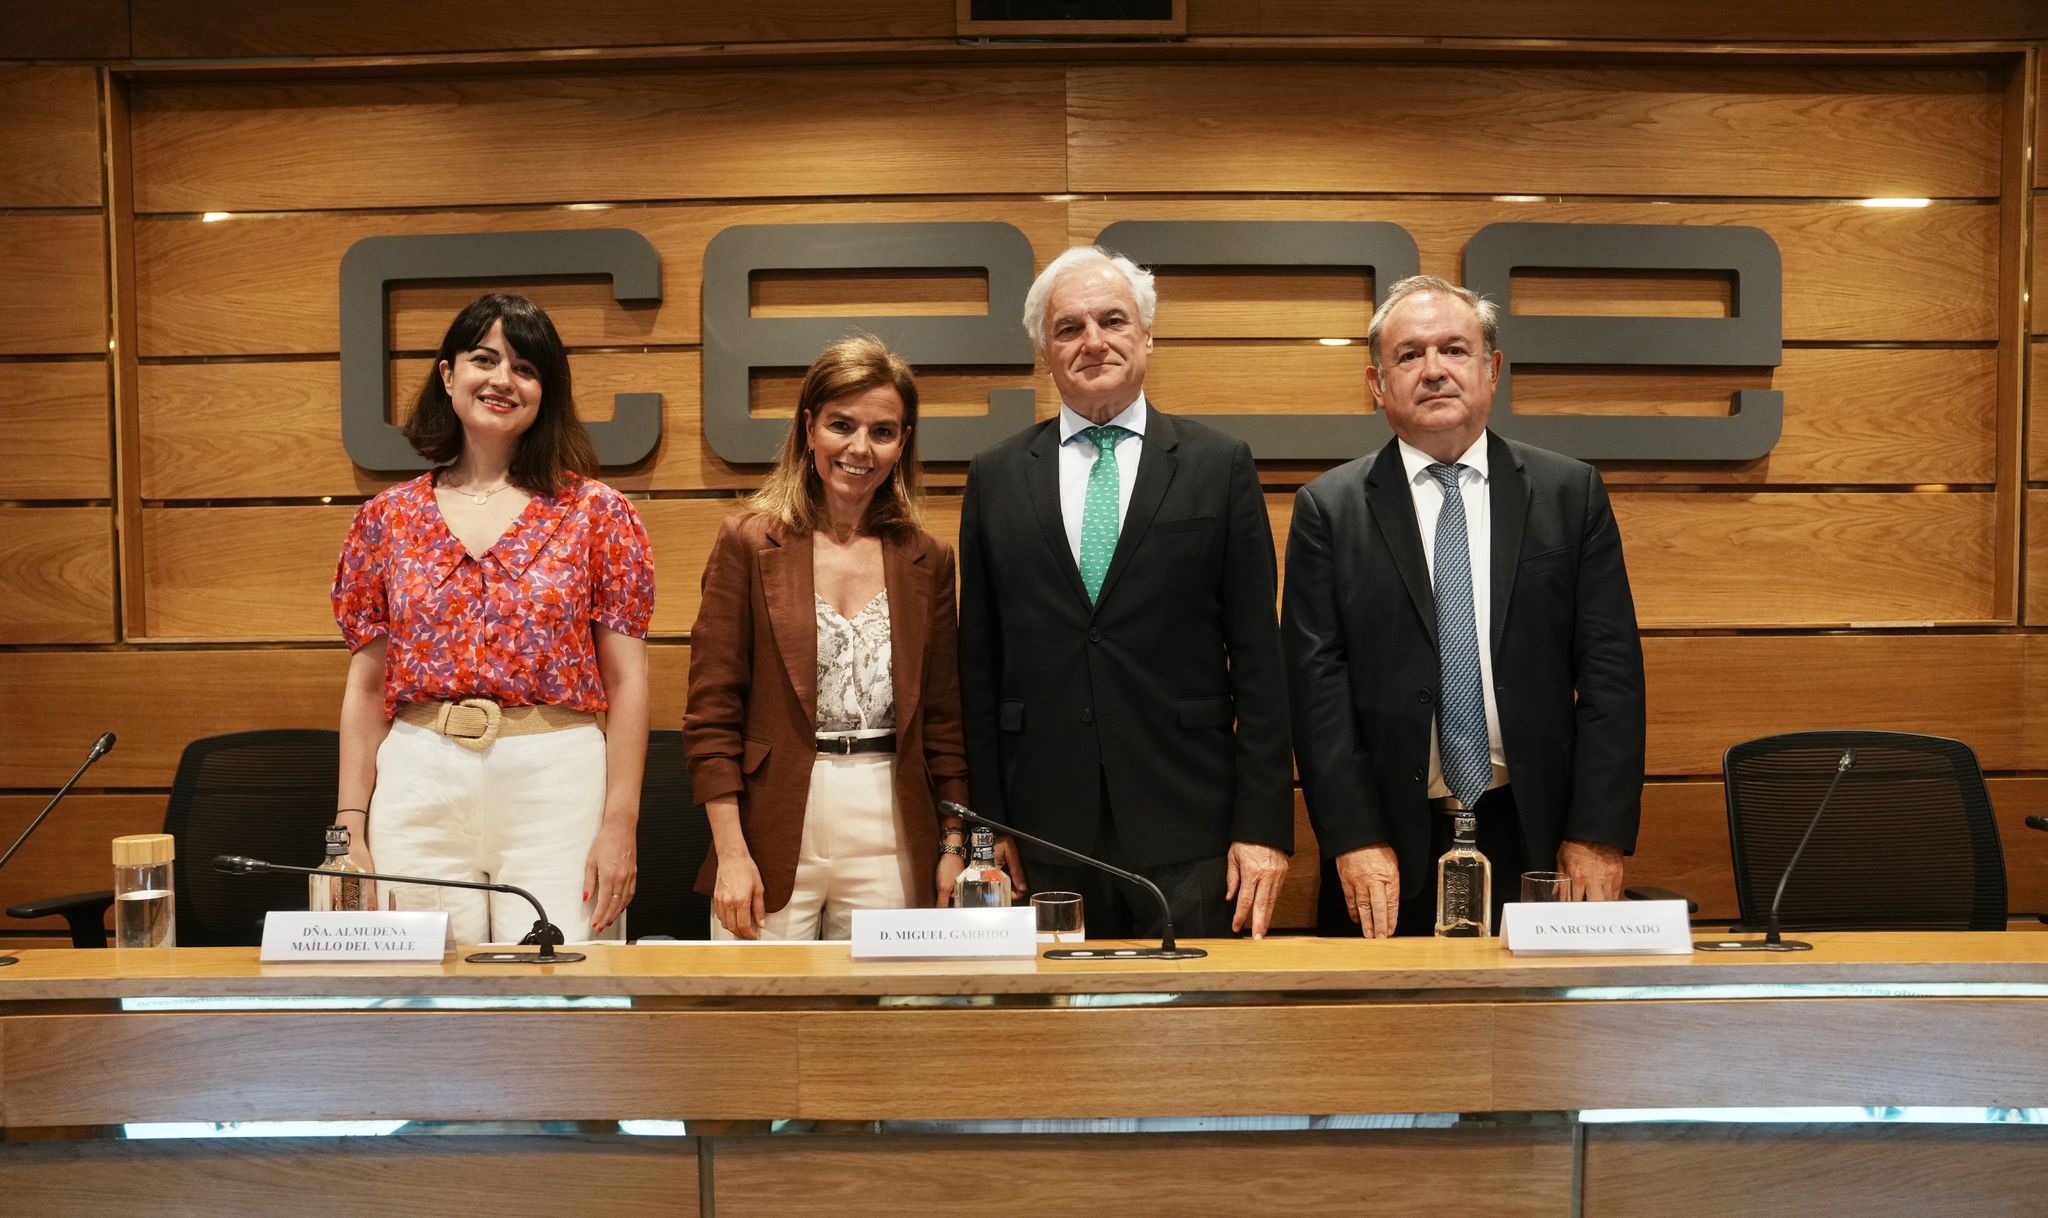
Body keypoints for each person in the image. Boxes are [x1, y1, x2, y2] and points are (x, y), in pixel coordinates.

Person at [1282, 274, 1647, 938]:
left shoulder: (1571, 495)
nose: (1434, 371)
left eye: (1454, 350)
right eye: (1409, 355)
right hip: (1389, 842)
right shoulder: (1328, 512)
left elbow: (1611, 677)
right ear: (1377, 384)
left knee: (1543, 1039)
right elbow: (1316, 695)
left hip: (1537, 834)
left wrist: (1596, 833)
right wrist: (1354, 838)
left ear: (1491, 370)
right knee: (1386, 1037)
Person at [957, 246, 1294, 940]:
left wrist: (1263, 827)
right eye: (1068, 328)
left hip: (1192, 827)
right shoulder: (994, 478)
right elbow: (980, 667)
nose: (1093, 342)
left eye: (1112, 321)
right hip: (1045, 831)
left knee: (1191, 1039)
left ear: (1146, 335)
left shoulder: (1217, 466)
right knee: (1055, 1038)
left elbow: (1261, 662)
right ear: (1045, 354)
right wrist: (990, 830)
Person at [332, 293, 653, 945]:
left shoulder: (598, 515)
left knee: (565, 999)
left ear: (547, 393)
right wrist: (349, 831)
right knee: (416, 996)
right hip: (419, 780)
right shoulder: (385, 521)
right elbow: (366, 687)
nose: (502, 380)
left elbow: (628, 683)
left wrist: (620, 821)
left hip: (555, 778)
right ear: (448, 375)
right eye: (484, 360)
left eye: (526, 368)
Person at [685, 335, 970, 940]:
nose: (860, 449)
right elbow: (712, 717)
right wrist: (731, 853)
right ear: (809, 427)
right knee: (758, 1016)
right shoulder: (747, 543)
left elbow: (945, 721)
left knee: (885, 1022)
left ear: (904, 442)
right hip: (772, 822)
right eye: (842, 425)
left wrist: (955, 842)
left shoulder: (929, 559)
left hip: (891, 820)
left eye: (883, 431)